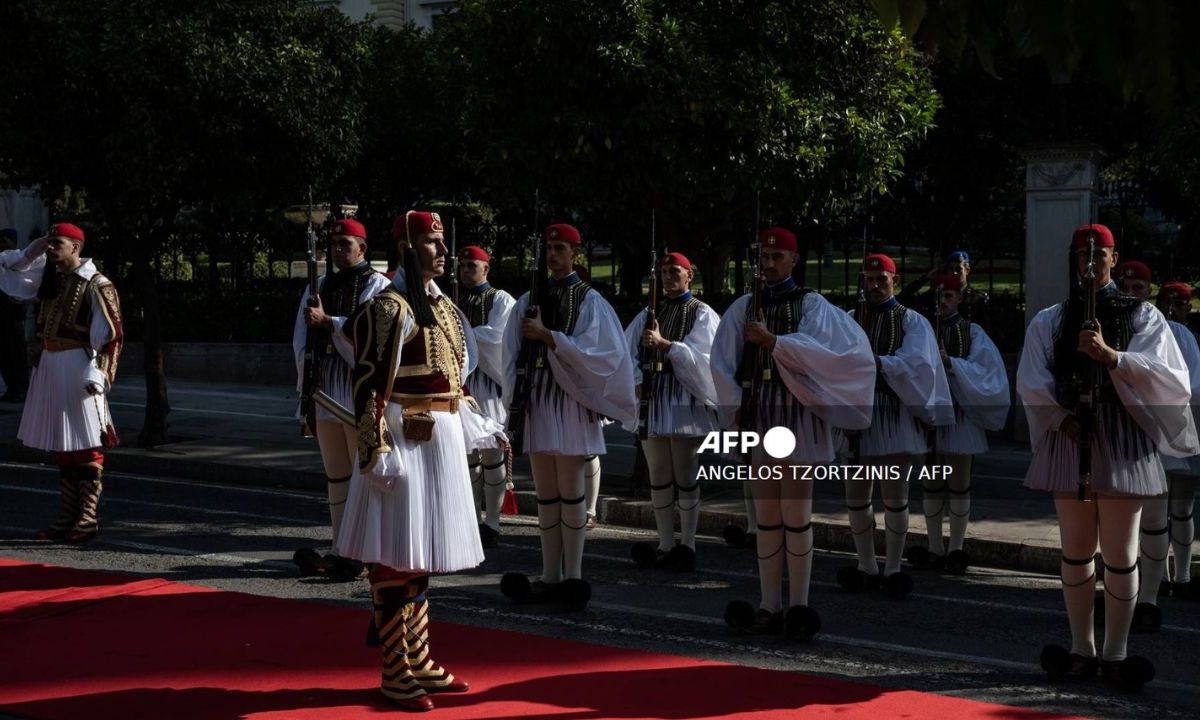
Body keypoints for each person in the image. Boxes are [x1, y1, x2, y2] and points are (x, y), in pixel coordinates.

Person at [1018, 224, 1197, 691]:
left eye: (1099, 256)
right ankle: (1082, 647)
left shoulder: (1144, 316)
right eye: (1082, 255)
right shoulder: (1052, 319)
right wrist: (1059, 417)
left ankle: (1116, 651)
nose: (1090, 262)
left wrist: (1113, 357)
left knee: (1120, 555)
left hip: (1122, 437)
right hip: (1069, 435)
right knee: (1076, 554)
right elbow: (1031, 378)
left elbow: (1171, 379)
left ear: (1114, 259)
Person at [335, 210, 482, 712]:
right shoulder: (388, 308)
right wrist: (374, 448)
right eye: (431, 243)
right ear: (406, 248)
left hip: (436, 437)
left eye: (442, 243)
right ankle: (394, 669)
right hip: (403, 438)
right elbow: (369, 384)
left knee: (419, 555)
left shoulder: (441, 305)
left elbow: (455, 378)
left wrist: (477, 424)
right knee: (395, 555)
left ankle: (416, 658)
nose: (443, 252)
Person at [711, 227, 875, 639]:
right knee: (767, 518)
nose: (768, 265)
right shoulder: (744, 306)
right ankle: (769, 604)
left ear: (794, 260)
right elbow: (721, 363)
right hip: (760, 417)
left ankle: (799, 604)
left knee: (796, 516)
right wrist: (735, 413)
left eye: (777, 257)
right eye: (763, 258)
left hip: (797, 418)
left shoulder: (812, 305)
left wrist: (774, 342)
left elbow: (831, 356)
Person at [500, 223, 637, 610]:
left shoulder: (591, 300)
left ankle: (573, 574)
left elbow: (606, 355)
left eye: (560, 248)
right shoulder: (529, 297)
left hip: (571, 404)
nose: (553, 254)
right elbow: (509, 355)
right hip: (539, 401)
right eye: (549, 248)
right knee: (547, 495)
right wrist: (513, 405)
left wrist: (551, 338)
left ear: (575, 253)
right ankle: (549, 574)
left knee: (572, 493)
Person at [838, 253, 953, 599]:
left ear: (895, 281)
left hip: (893, 415)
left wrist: (878, 363)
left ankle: (893, 567)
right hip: (859, 416)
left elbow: (918, 365)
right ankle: (866, 565)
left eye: (880, 280)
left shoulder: (912, 321)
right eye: (868, 280)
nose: (873, 286)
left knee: (894, 495)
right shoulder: (849, 318)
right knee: (857, 496)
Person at [0, 223, 122, 543]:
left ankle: (87, 516)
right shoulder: (49, 278)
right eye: (49, 242)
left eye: (57, 243)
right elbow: (7, 266)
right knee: (63, 446)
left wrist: (101, 374)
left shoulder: (97, 283)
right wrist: (34, 248)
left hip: (77, 365)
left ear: (76, 247)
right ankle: (68, 515)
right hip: (50, 364)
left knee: (85, 444)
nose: (51, 248)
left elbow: (112, 337)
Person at [291, 218, 390, 581]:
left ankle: (365, 551)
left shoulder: (378, 285)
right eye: (333, 245)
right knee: (336, 475)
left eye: (344, 244)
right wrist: (306, 383)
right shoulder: (319, 284)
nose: (336, 251)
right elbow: (300, 337)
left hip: (355, 384)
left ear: (362, 248)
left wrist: (330, 321)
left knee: (362, 471)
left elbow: (371, 332)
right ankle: (341, 546)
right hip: (326, 383)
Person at [907, 274, 1010, 574]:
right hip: (930, 420)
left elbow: (988, 372)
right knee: (931, 484)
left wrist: (951, 363)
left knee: (959, 485)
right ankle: (935, 546)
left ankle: (957, 547)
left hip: (960, 419)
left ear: (960, 298)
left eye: (949, 296)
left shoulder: (972, 332)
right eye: (938, 296)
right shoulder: (922, 329)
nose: (942, 302)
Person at [624, 251, 720, 571]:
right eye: (664, 271)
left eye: (674, 271)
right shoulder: (650, 312)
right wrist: (637, 380)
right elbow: (627, 352)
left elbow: (705, 358)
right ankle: (665, 543)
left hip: (683, 400)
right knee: (659, 474)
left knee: (685, 472)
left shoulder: (701, 312)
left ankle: (688, 544)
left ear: (689, 274)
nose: (668, 276)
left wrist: (667, 346)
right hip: (654, 398)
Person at [455, 244, 517, 547]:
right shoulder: (451, 299)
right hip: (461, 386)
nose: (466, 270)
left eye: (471, 265)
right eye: (463, 265)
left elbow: (500, 336)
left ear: (486, 269)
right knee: (468, 455)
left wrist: (463, 333)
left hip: (488, 385)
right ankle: (471, 518)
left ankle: (492, 520)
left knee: (492, 453)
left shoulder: (500, 299)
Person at [1155, 281, 1200, 601]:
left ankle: (1180, 576)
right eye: (1168, 302)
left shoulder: (1190, 339)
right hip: (1163, 428)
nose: (1173, 309)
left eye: (1180, 304)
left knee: (1180, 508)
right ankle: (1162, 577)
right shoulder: (1158, 334)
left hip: (1183, 428)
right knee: (1158, 512)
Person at [0, 228, 30, 402]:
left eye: (5, 241)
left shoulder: (20, 260)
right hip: (2, 312)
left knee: (16, 351)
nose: (2, 245)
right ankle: (11, 388)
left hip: (14, 312)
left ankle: (22, 389)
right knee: (4, 353)